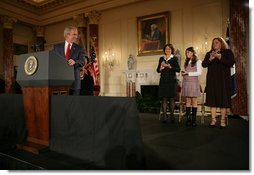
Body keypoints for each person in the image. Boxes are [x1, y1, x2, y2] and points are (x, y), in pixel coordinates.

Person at [202, 37, 235, 128]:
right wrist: (211, 59)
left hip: (223, 81)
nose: (214, 44)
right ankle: (213, 120)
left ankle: (222, 121)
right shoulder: (209, 53)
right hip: (212, 80)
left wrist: (220, 58)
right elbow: (204, 64)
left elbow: (231, 63)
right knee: (213, 100)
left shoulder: (227, 52)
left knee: (223, 100)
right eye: (213, 43)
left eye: (216, 42)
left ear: (221, 43)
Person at [53, 26, 85, 95]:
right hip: (60, 81)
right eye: (74, 34)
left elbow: (82, 62)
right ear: (67, 35)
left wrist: (75, 62)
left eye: (76, 34)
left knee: (74, 104)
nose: (76, 36)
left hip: (74, 82)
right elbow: (53, 62)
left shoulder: (79, 48)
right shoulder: (57, 47)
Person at [156, 44, 180, 123]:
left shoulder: (174, 58)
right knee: (164, 99)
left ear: (171, 50)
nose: (167, 50)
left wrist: (170, 67)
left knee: (171, 98)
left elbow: (178, 69)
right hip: (163, 80)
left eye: (169, 49)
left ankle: (172, 115)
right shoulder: (161, 58)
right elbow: (158, 70)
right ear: (164, 50)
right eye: (166, 49)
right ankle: (164, 116)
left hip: (171, 81)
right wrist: (161, 68)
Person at [181, 47, 202, 126]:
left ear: (193, 52)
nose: (187, 54)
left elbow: (199, 72)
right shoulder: (186, 62)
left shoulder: (198, 61)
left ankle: (194, 120)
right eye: (186, 53)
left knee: (194, 101)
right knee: (188, 101)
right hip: (186, 82)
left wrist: (188, 73)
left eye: (188, 52)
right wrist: (183, 73)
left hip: (193, 83)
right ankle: (188, 119)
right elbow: (186, 72)